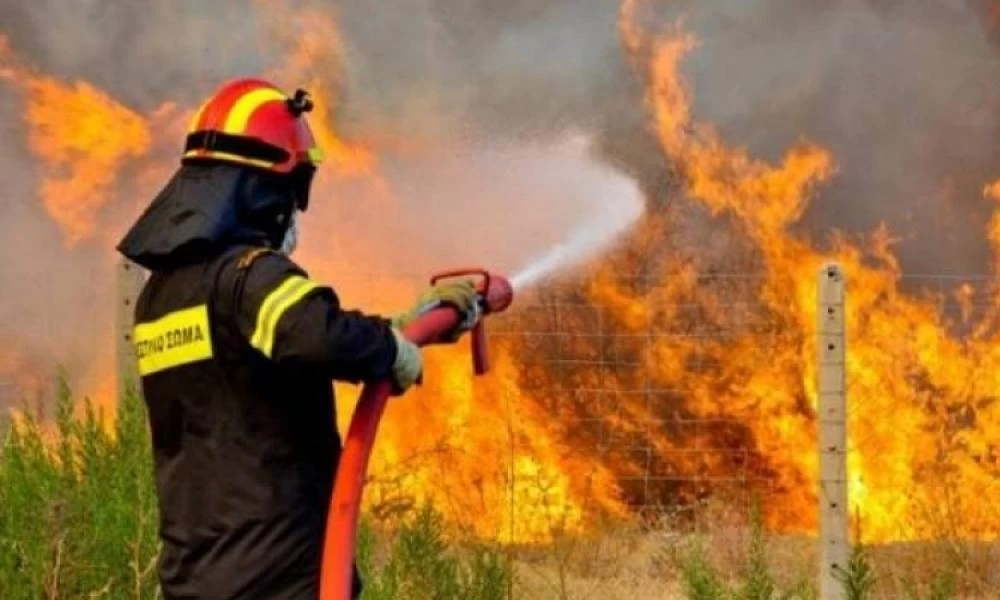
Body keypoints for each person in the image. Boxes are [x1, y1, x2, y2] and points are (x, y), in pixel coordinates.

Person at [116, 78, 479, 600]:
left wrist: (407, 326)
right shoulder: (249, 276)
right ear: (265, 193)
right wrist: (391, 351)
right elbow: (318, 335)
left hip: (198, 577)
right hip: (279, 573)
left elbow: (263, 353)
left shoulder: (162, 296)